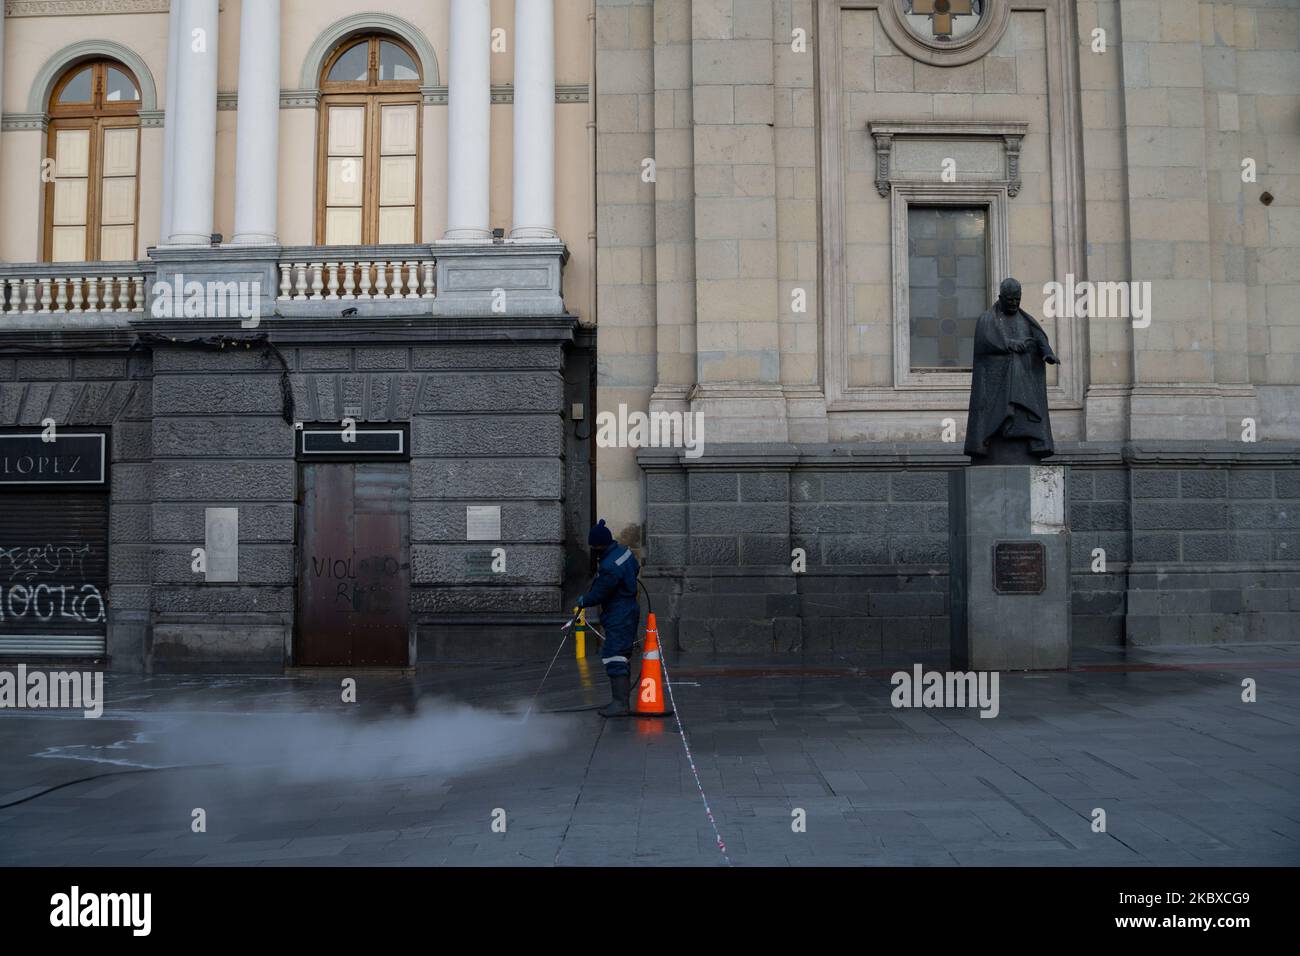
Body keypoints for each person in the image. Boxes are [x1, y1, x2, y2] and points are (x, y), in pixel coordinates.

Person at [963, 277, 1060, 464]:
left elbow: (1039, 338)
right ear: (1000, 297)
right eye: (1010, 299)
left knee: (1019, 375)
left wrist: (1047, 353)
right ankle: (997, 431)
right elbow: (984, 342)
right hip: (996, 382)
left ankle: (1030, 438)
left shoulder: (1026, 319)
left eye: (1017, 299)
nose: (1014, 303)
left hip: (1023, 379)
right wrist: (1009, 345)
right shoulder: (987, 319)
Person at [575, 519, 640, 717]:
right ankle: (621, 702)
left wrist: (584, 601)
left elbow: (601, 592)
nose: (593, 550)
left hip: (619, 612)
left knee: (614, 654)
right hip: (628, 609)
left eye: (593, 547)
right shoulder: (623, 552)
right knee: (621, 654)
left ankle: (620, 704)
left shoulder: (610, 565)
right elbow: (635, 569)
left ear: (598, 545)